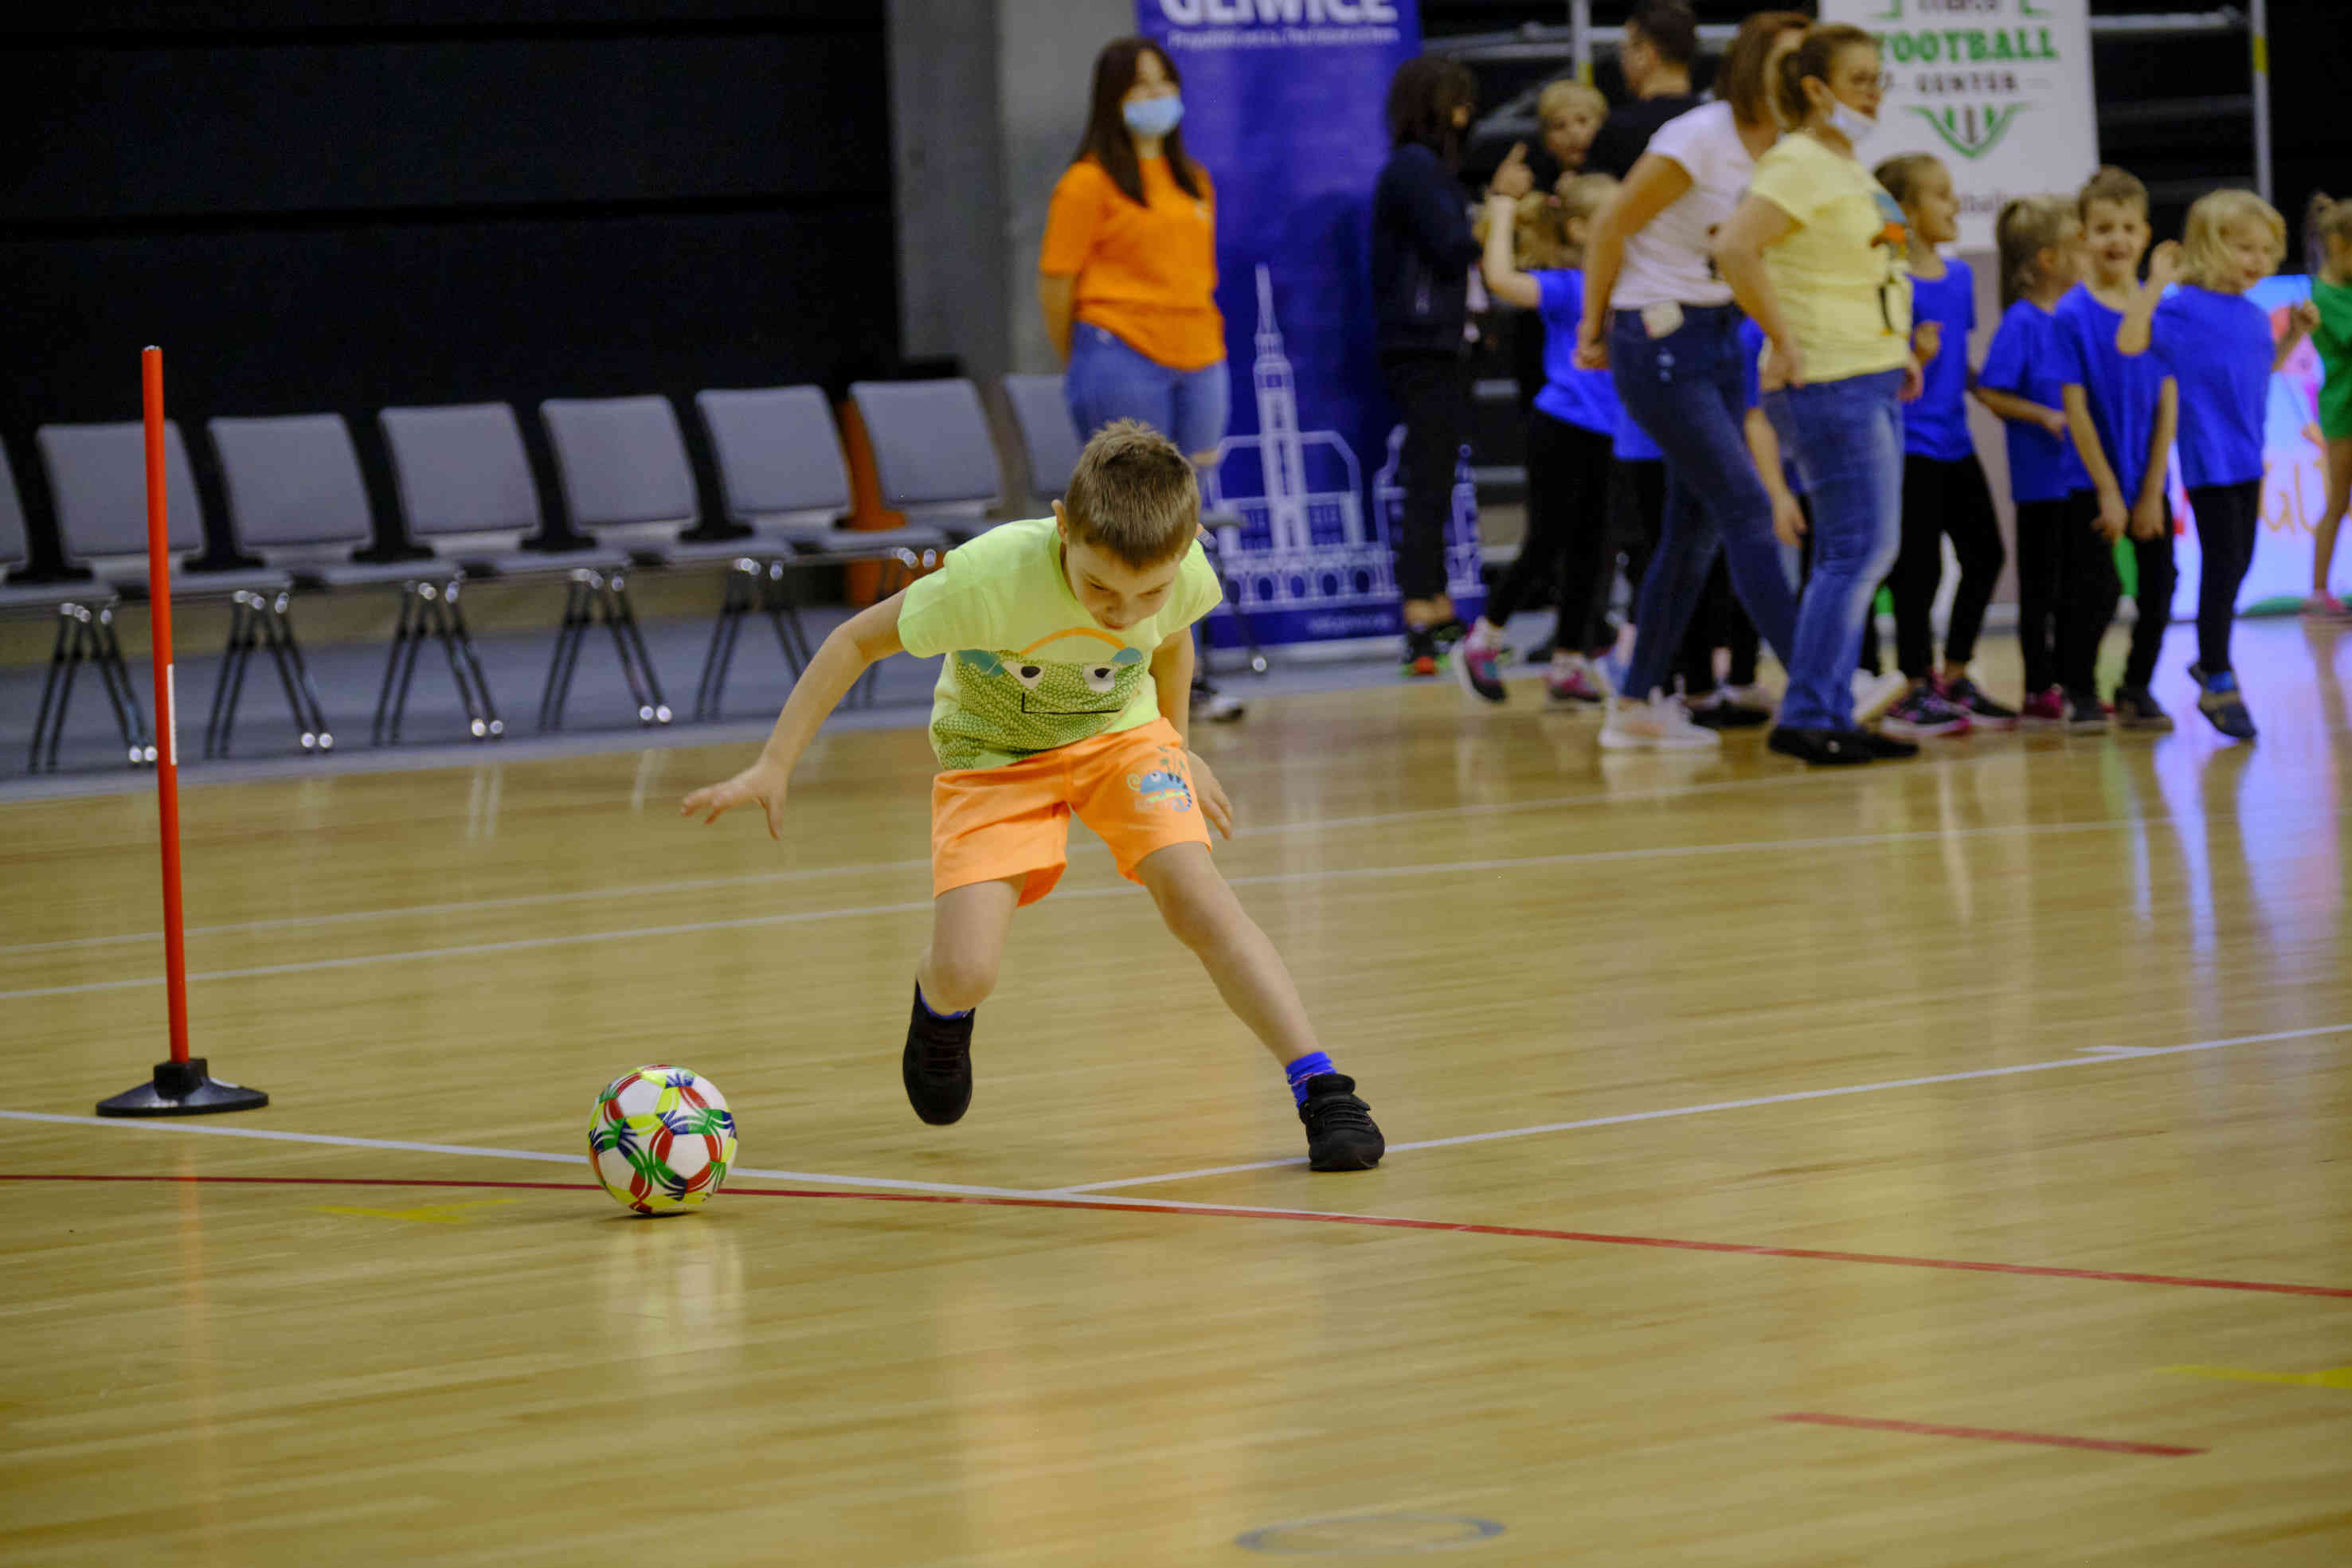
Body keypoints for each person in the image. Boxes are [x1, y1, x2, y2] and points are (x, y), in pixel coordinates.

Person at [680, 421, 1386, 1172]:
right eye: (1100, 588)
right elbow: (855, 639)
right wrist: (774, 763)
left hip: (1120, 738)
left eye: (1145, 591)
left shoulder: (1177, 575)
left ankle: (1321, 1086)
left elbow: (1173, 641)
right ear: (1061, 526)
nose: (1121, 612)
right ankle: (940, 1003)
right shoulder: (987, 579)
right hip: (993, 756)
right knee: (969, 969)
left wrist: (1177, 748)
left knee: (1199, 899)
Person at [1575, 9, 1812, 752]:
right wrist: (1592, 327)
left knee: (1692, 530)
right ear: (1750, 66)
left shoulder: (1784, 145)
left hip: (1716, 334)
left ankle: (1636, 701)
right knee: (1745, 504)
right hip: (1655, 330)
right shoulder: (1698, 136)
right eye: (1786, 62)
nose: (1801, 76)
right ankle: (1819, 682)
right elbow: (1611, 224)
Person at [1714, 22, 1923, 767]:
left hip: (1865, 368)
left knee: (1861, 549)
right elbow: (1734, 247)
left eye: (1878, 79)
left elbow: (1865, 267)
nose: (1874, 93)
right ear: (1815, 88)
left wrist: (1895, 347)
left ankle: (1827, 707)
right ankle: (1808, 711)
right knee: (1855, 549)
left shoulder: (1843, 165)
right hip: (1825, 375)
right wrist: (1785, 337)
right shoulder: (1798, 161)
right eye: (1860, 79)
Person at [1039, 37, 1246, 723]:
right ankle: (1107, 681)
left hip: (1200, 353)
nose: (1155, 97)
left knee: (1188, 522)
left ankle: (1191, 676)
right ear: (1110, 99)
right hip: (1120, 350)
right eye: (1138, 87)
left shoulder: (1194, 179)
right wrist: (1083, 356)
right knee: (1124, 519)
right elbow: (1056, 283)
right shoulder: (1088, 181)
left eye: (1164, 83)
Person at [2119, 190, 2315, 741]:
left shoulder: (2255, 317)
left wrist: (2295, 333)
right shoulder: (2182, 308)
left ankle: (2211, 662)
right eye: (2242, 248)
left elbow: (2262, 369)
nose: (2255, 261)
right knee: (2222, 566)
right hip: (2210, 460)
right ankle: (2216, 672)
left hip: (2248, 458)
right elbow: (2130, 340)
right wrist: (2155, 281)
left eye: (2264, 250)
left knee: (2237, 565)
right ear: (2207, 246)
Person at [1462, 155, 1623, 704]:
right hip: (1561, 426)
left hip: (1612, 433)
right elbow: (1501, 278)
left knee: (1594, 550)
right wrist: (1503, 207)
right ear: (1579, 230)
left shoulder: (1630, 282)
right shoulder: (1569, 286)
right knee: (1547, 540)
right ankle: (1484, 639)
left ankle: (1569, 661)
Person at [1866, 152, 2008, 737]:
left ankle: (1954, 674)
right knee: (1916, 571)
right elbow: (1878, 361)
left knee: (1986, 553)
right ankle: (1914, 684)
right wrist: (1911, 355)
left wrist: (1992, 390)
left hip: (1954, 439)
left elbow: (1957, 361)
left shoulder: (1960, 277)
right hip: (1906, 445)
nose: (1953, 205)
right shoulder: (1887, 280)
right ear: (1904, 209)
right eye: (1941, 195)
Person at [1374, 54, 1483, 677]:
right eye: (1456, 103)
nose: (1466, 116)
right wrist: (1503, 213)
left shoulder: (1430, 170)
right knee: (1424, 482)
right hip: (1422, 346)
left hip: (1440, 344)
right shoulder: (1415, 169)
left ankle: (1436, 602)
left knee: (1436, 480)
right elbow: (1452, 246)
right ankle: (1420, 610)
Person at [2058, 166, 2178, 732]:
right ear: (2082, 235)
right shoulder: (2070, 314)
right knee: (2096, 590)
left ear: (2145, 234)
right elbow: (2074, 407)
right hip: (2088, 478)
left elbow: (2168, 402)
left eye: (2127, 227)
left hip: (2147, 476)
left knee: (2159, 588)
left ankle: (2136, 686)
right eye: (2103, 227)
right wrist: (2107, 488)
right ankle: (2079, 689)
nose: (2116, 239)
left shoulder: (2160, 311)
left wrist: (2151, 487)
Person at [1974, 195, 2097, 727]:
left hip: (2079, 479)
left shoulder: (2075, 316)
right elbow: (1991, 393)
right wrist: (2044, 417)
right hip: (2039, 483)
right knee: (2040, 591)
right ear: (2048, 259)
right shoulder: (2022, 322)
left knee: (2080, 588)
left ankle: (2076, 684)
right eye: (2078, 243)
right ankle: (2035, 688)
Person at [1587, 0, 1701, 182]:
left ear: (1645, 54)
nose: (1622, 61)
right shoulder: (1720, 122)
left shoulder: (1617, 131)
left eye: (1625, 49)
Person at [2304, 194, 2352, 616]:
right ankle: (2318, 592)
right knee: (2338, 499)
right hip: (2344, 411)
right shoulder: (2324, 294)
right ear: (2340, 247)